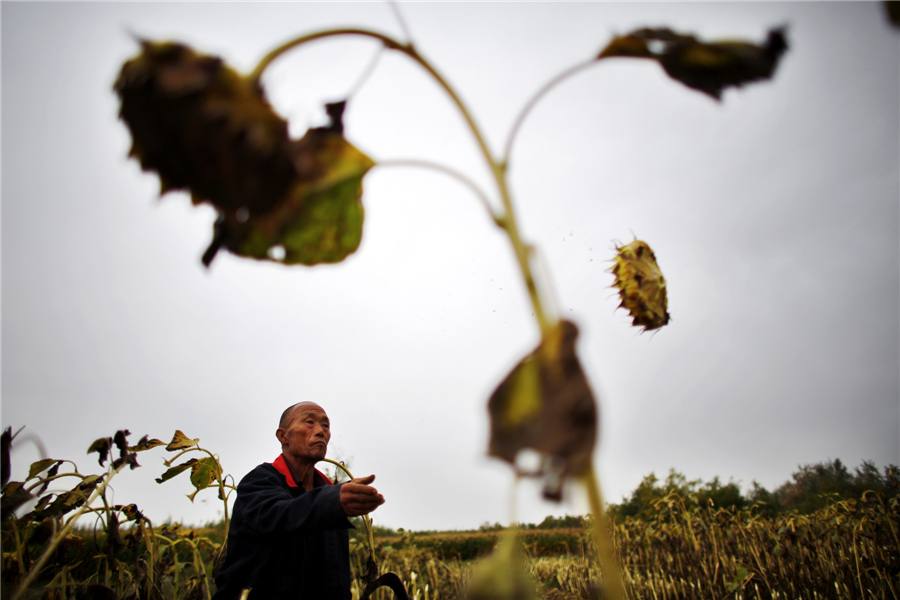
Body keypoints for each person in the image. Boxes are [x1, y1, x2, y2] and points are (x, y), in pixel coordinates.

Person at [213, 402, 385, 600]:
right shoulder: (259, 482)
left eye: (326, 426)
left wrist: (333, 501)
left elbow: (338, 579)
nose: (320, 431)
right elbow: (279, 516)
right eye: (309, 422)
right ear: (283, 436)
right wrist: (331, 501)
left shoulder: (332, 500)